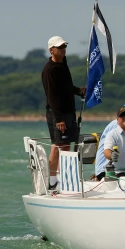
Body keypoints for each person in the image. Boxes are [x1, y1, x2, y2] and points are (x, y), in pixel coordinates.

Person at [41, 35, 85, 190]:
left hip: (69, 111)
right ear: (51, 50)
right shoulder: (49, 70)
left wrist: (79, 91)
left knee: (66, 144)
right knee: (58, 144)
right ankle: (52, 181)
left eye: (64, 46)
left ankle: (63, 178)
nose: (63, 49)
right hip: (57, 113)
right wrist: (59, 119)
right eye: (59, 47)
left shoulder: (63, 63)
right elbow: (52, 96)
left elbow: (66, 87)